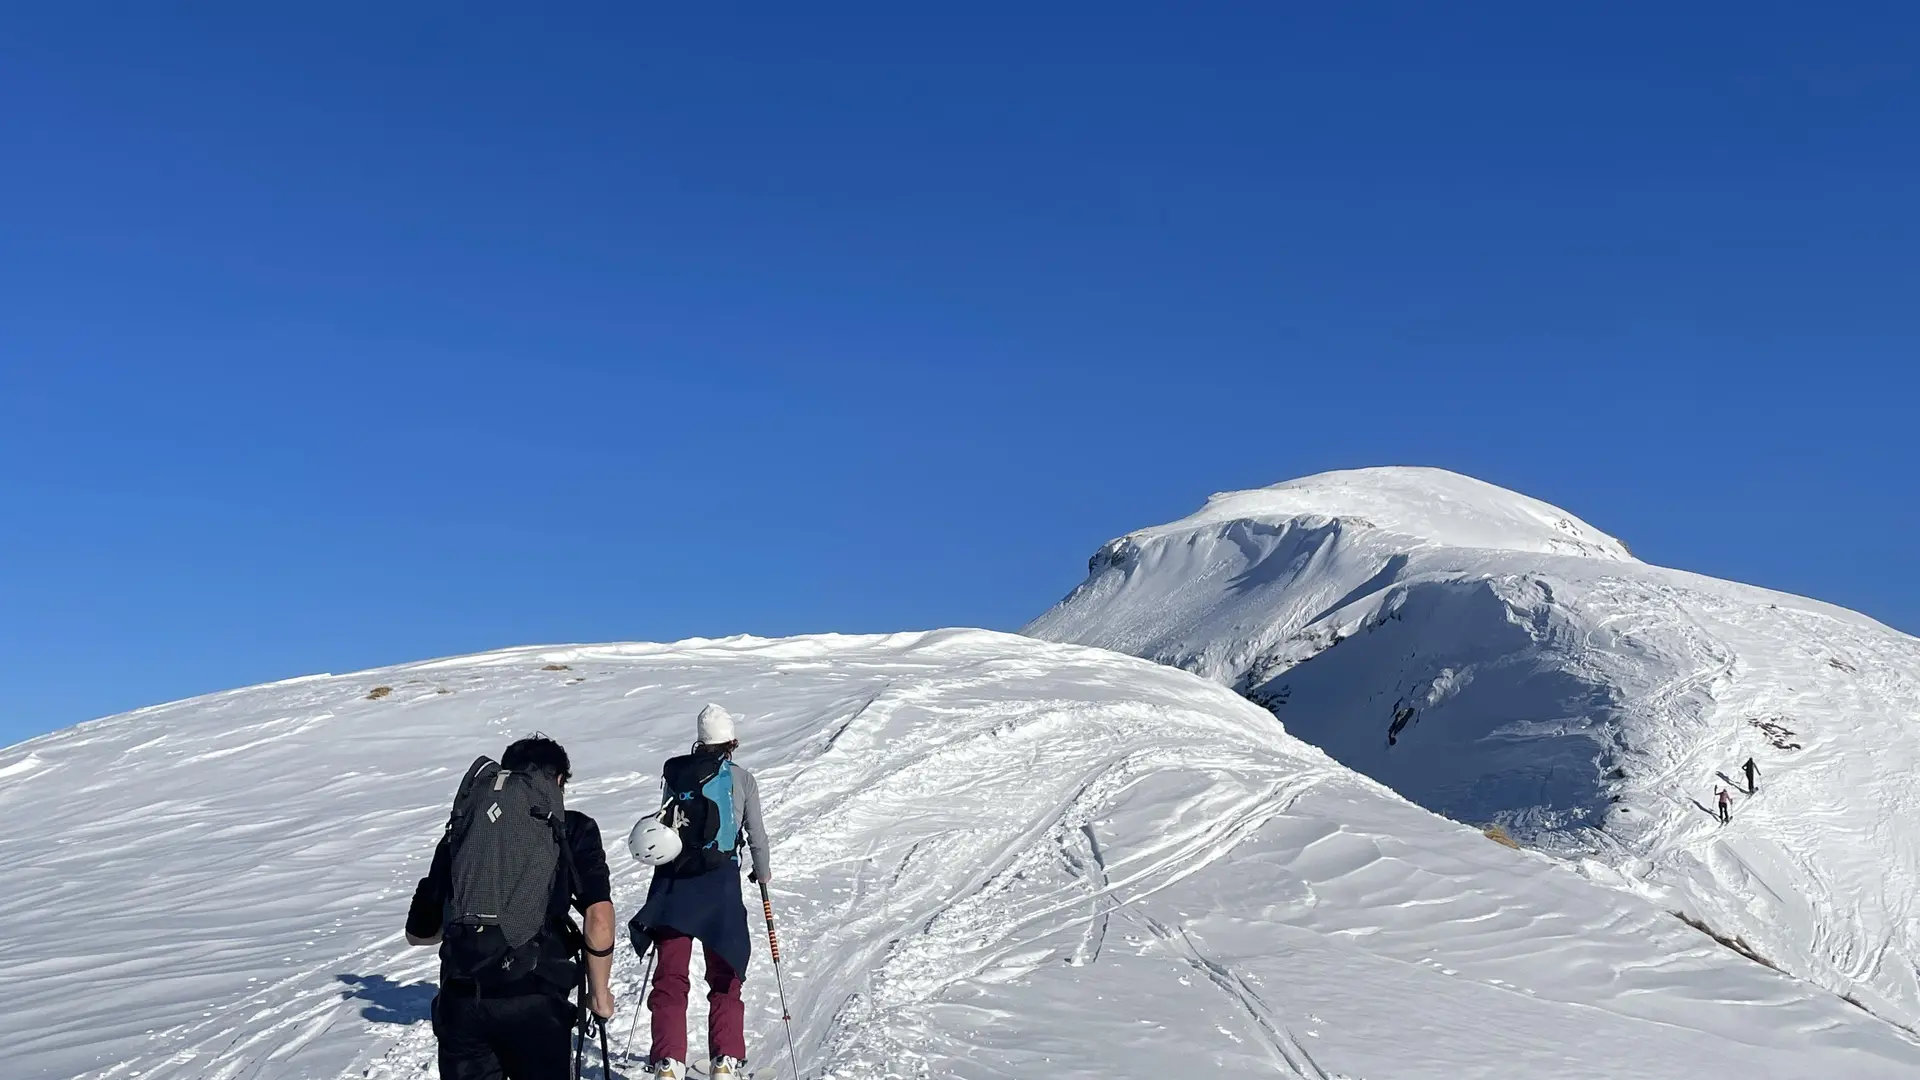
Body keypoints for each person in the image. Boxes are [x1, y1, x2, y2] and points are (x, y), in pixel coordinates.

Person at [406, 735, 617, 1080]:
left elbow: (419, 934)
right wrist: (599, 994)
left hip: (462, 1001)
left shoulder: (464, 825)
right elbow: (599, 918)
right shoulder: (573, 827)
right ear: (558, 780)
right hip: (535, 1001)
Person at [632, 704, 773, 1080]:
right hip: (720, 884)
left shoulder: (677, 774)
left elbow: (665, 824)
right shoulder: (742, 779)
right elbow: (755, 835)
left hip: (675, 881)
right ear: (731, 743)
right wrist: (762, 874)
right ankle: (725, 1061)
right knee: (725, 971)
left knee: (670, 974)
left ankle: (668, 1061)